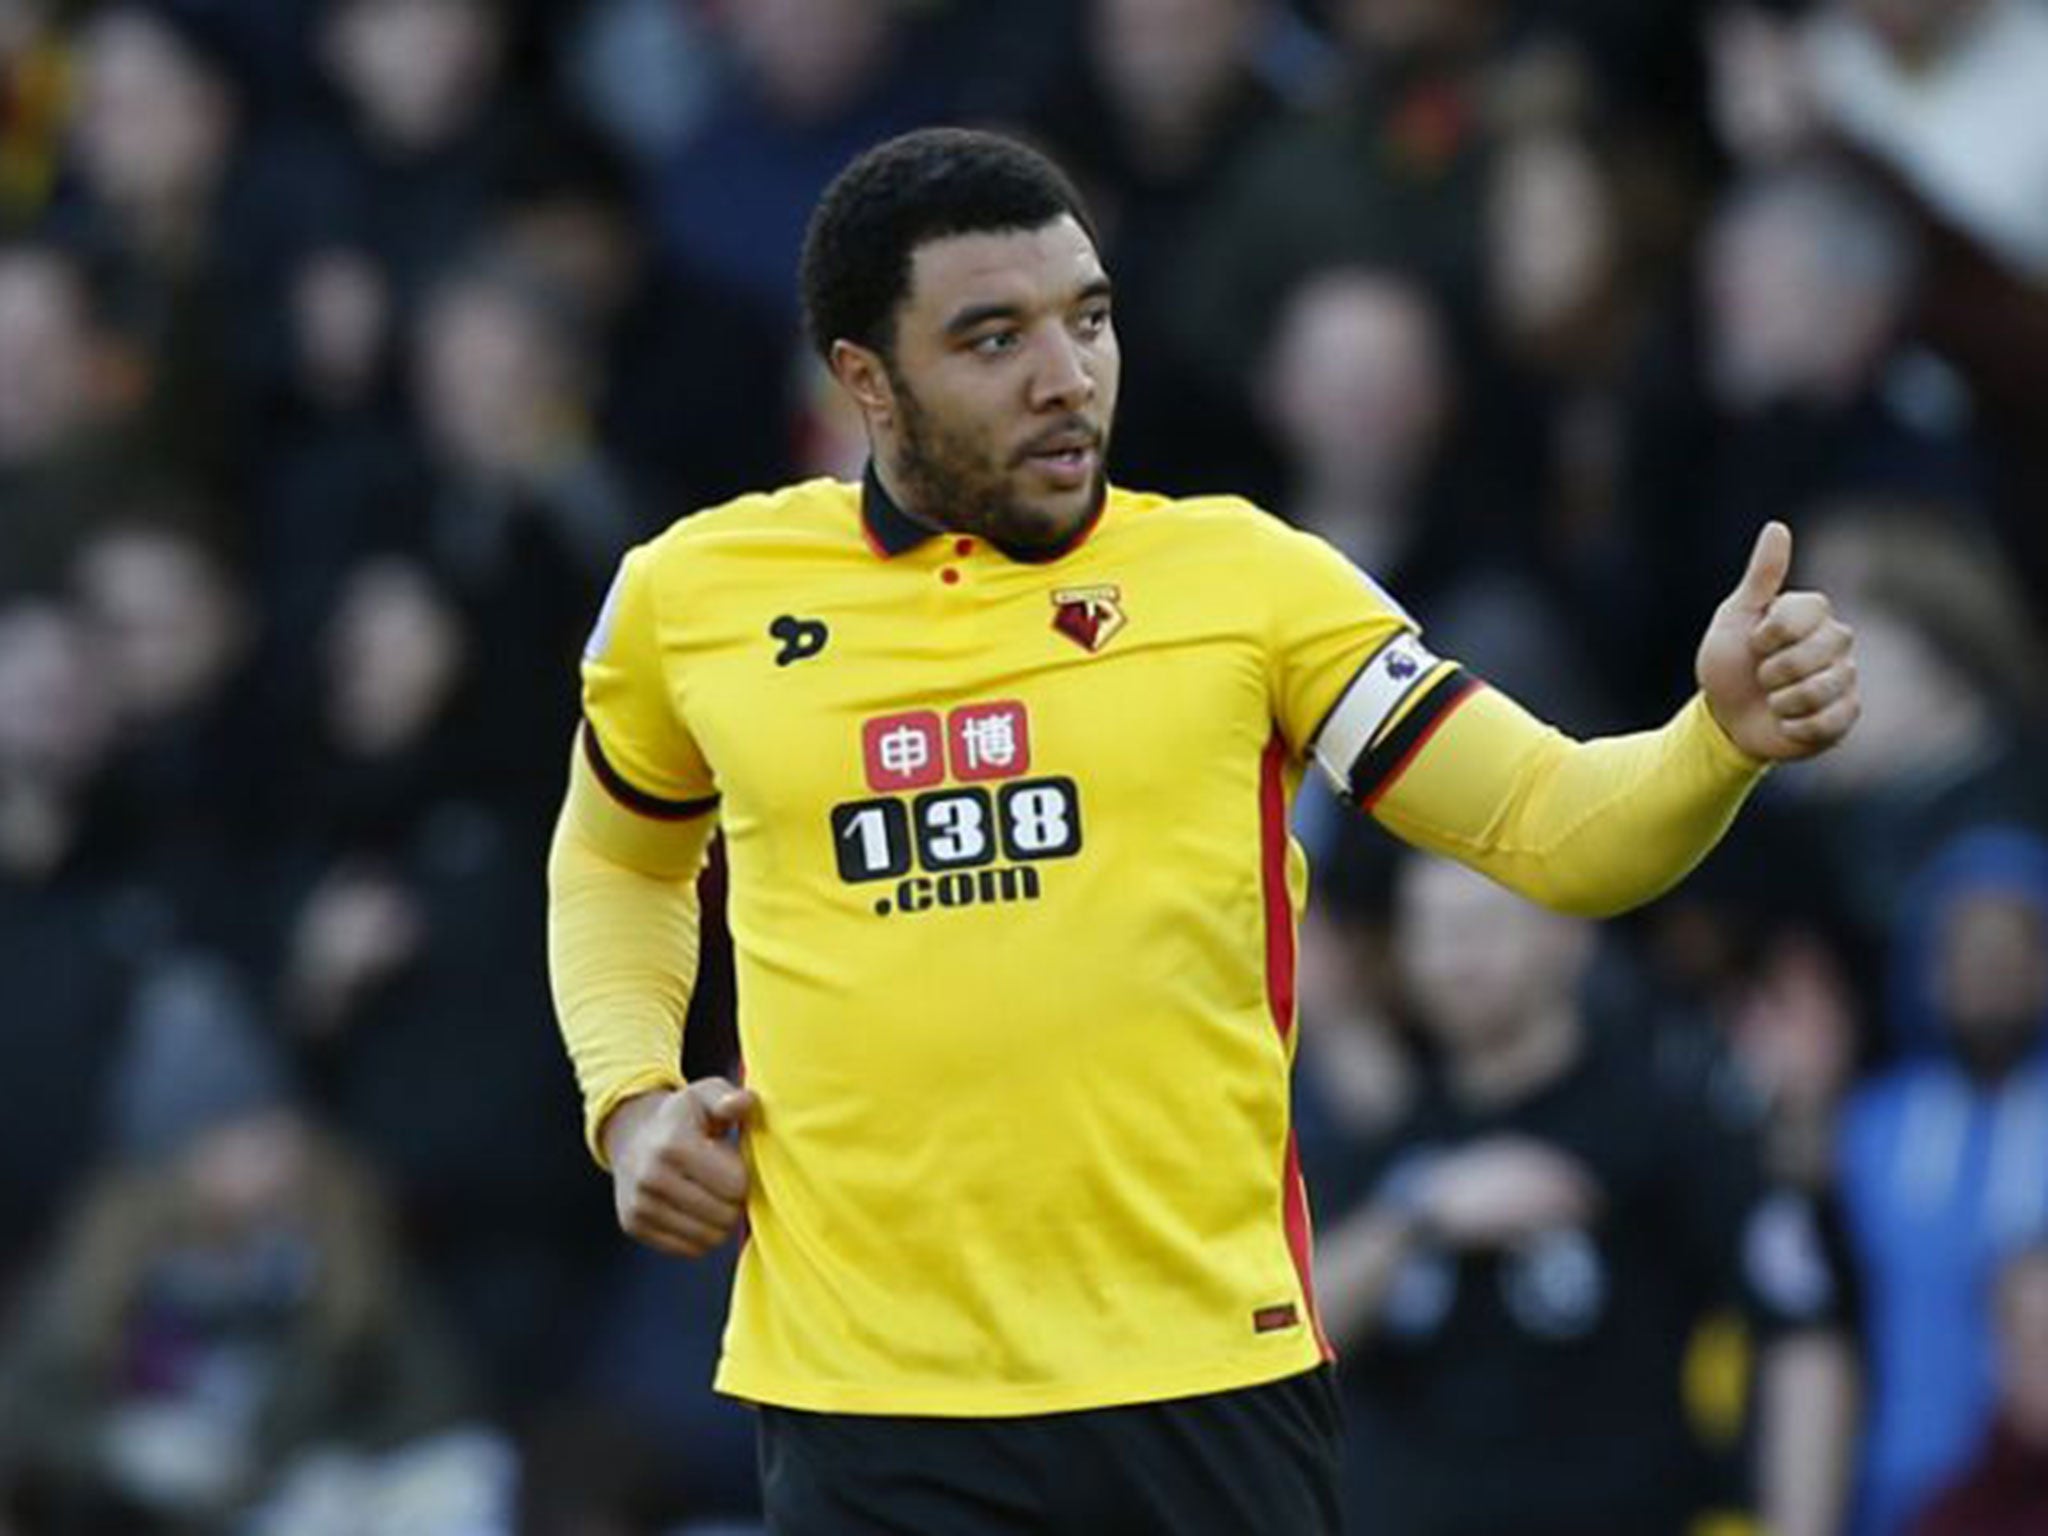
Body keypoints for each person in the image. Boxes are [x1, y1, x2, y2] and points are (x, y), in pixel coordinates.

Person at [546, 126, 1861, 1535]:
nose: (1067, 378)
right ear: (865, 379)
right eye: (994, 338)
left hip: (1199, 1395)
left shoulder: (1247, 583)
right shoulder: (698, 597)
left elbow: (1558, 831)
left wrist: (1716, 741)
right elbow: (622, 857)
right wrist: (631, 1100)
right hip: (867, 1405)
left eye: (1090, 319)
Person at [1306, 853, 1855, 1536]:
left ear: (1570, 936)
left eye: (1481, 928)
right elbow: (1299, 1345)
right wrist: (1419, 1217)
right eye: (1432, 930)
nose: (1454, 959)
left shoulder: (1662, 1124)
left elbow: (1802, 1333)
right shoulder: (1388, 1139)